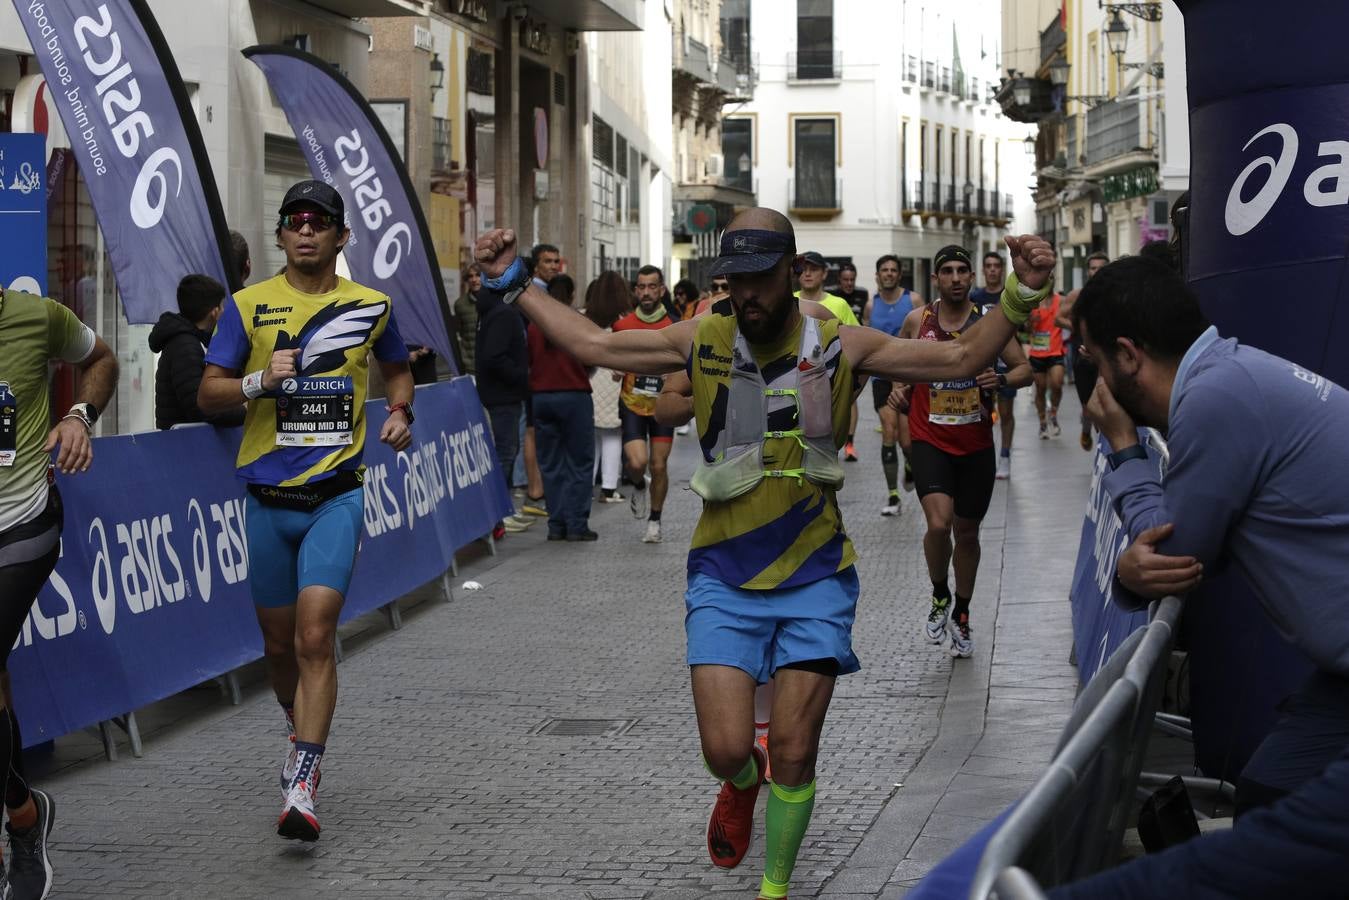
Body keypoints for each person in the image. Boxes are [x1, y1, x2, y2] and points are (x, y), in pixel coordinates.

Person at [472, 209, 1055, 900]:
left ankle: (774, 889)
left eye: (757, 280)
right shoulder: (703, 335)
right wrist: (511, 282)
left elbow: (959, 359)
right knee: (724, 749)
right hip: (723, 573)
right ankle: (740, 782)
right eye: (732, 281)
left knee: (795, 751)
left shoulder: (841, 341)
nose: (744, 294)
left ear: (788, 271)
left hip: (816, 575)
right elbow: (596, 345)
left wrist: (1019, 292)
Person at [1047, 255, 1349, 899]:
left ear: (1127, 355)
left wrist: (1125, 450)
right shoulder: (1229, 374)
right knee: (1273, 785)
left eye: (1094, 358)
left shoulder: (1215, 398)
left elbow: (1172, 559)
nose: (1093, 377)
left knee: (1285, 806)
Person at [198, 180, 414, 842]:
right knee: (277, 646)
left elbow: (398, 369)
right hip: (267, 500)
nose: (306, 231)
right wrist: (264, 380)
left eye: (320, 222)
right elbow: (208, 394)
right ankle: (299, 730)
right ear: (281, 235)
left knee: (316, 635)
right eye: (294, 220)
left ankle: (303, 778)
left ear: (341, 236)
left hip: (335, 494)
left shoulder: (371, 305)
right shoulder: (246, 305)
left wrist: (401, 409)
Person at [0, 286, 117, 900]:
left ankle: (19, 825)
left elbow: (102, 359)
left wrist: (78, 417)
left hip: (23, 523)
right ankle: (23, 815)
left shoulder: (35, 316)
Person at [894, 245, 1031, 659]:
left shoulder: (989, 324)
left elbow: (1025, 370)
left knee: (966, 533)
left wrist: (1001, 379)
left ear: (971, 278)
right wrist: (899, 388)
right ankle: (940, 593)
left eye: (962, 271)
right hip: (929, 439)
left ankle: (964, 612)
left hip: (974, 445)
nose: (955, 278)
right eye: (947, 271)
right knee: (939, 524)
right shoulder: (918, 321)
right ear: (936, 279)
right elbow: (895, 361)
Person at [527, 274, 596, 541]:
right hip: (575, 396)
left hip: (542, 398)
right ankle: (577, 525)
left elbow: (529, 360)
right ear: (570, 295)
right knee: (579, 462)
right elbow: (590, 357)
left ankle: (556, 525)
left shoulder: (534, 326)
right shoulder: (576, 321)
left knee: (551, 463)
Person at [613, 265, 678, 543]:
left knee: (659, 465)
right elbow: (611, 358)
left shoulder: (675, 326)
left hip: (663, 405)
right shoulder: (622, 325)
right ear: (635, 290)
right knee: (637, 463)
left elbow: (686, 363)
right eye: (642, 287)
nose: (647, 292)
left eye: (653, 286)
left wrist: (674, 374)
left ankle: (655, 520)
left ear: (662, 290)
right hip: (632, 403)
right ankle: (639, 484)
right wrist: (615, 368)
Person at [474, 257, 535, 536]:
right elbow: (494, 357)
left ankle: (504, 510)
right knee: (505, 454)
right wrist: (522, 376)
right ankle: (501, 512)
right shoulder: (504, 314)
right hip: (504, 396)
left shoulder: (496, 311)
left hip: (500, 393)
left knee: (506, 452)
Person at [864, 254, 926, 513]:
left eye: (893, 270)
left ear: (899, 275)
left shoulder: (913, 301)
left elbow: (925, 338)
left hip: (910, 377)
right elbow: (866, 341)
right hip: (881, 377)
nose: (888, 274)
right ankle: (892, 497)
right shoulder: (870, 306)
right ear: (878, 275)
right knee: (888, 431)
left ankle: (911, 467)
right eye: (884, 270)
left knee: (908, 442)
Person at [150, 275, 246, 430]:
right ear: (214, 312)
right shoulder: (185, 347)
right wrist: (246, 411)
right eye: (222, 306)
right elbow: (199, 407)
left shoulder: (194, 341)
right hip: (186, 445)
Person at [794, 251, 862, 461]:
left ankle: (844, 443)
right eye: (803, 269)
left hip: (828, 378)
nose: (807, 274)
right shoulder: (789, 301)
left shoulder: (839, 305)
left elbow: (856, 340)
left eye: (813, 269)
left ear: (824, 274)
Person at [969, 251, 1018, 479]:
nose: (991, 270)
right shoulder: (974, 297)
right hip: (981, 362)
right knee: (981, 411)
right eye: (987, 265)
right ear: (982, 270)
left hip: (1006, 360)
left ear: (1001, 269)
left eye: (996, 266)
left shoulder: (1010, 296)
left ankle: (1005, 456)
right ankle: (983, 453)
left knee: (1006, 411)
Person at [586, 273, 633, 504]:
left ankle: (586, 485)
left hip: (591, 379)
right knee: (612, 435)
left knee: (592, 437)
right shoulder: (625, 320)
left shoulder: (587, 318)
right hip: (615, 382)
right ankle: (608, 488)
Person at [1058, 251, 1109, 451]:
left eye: (1101, 268)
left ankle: (1104, 449)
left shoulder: (1116, 293)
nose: (1096, 272)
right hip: (1084, 360)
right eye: (1093, 268)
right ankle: (1086, 429)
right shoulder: (1078, 295)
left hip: (1107, 360)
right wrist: (1079, 327)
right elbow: (1058, 318)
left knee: (1107, 406)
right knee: (1089, 408)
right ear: (1088, 271)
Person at [1026, 280, 1066, 439]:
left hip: (1056, 350)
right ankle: (1042, 422)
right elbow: (1026, 328)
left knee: (1057, 383)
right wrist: (1030, 321)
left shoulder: (1061, 301)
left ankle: (1053, 412)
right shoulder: (1033, 302)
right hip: (1037, 353)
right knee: (1041, 388)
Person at [454, 264, 482, 375]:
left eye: (478, 275)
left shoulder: (496, 301)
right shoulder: (460, 304)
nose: (474, 280)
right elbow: (461, 333)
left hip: (492, 366)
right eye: (470, 276)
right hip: (470, 367)